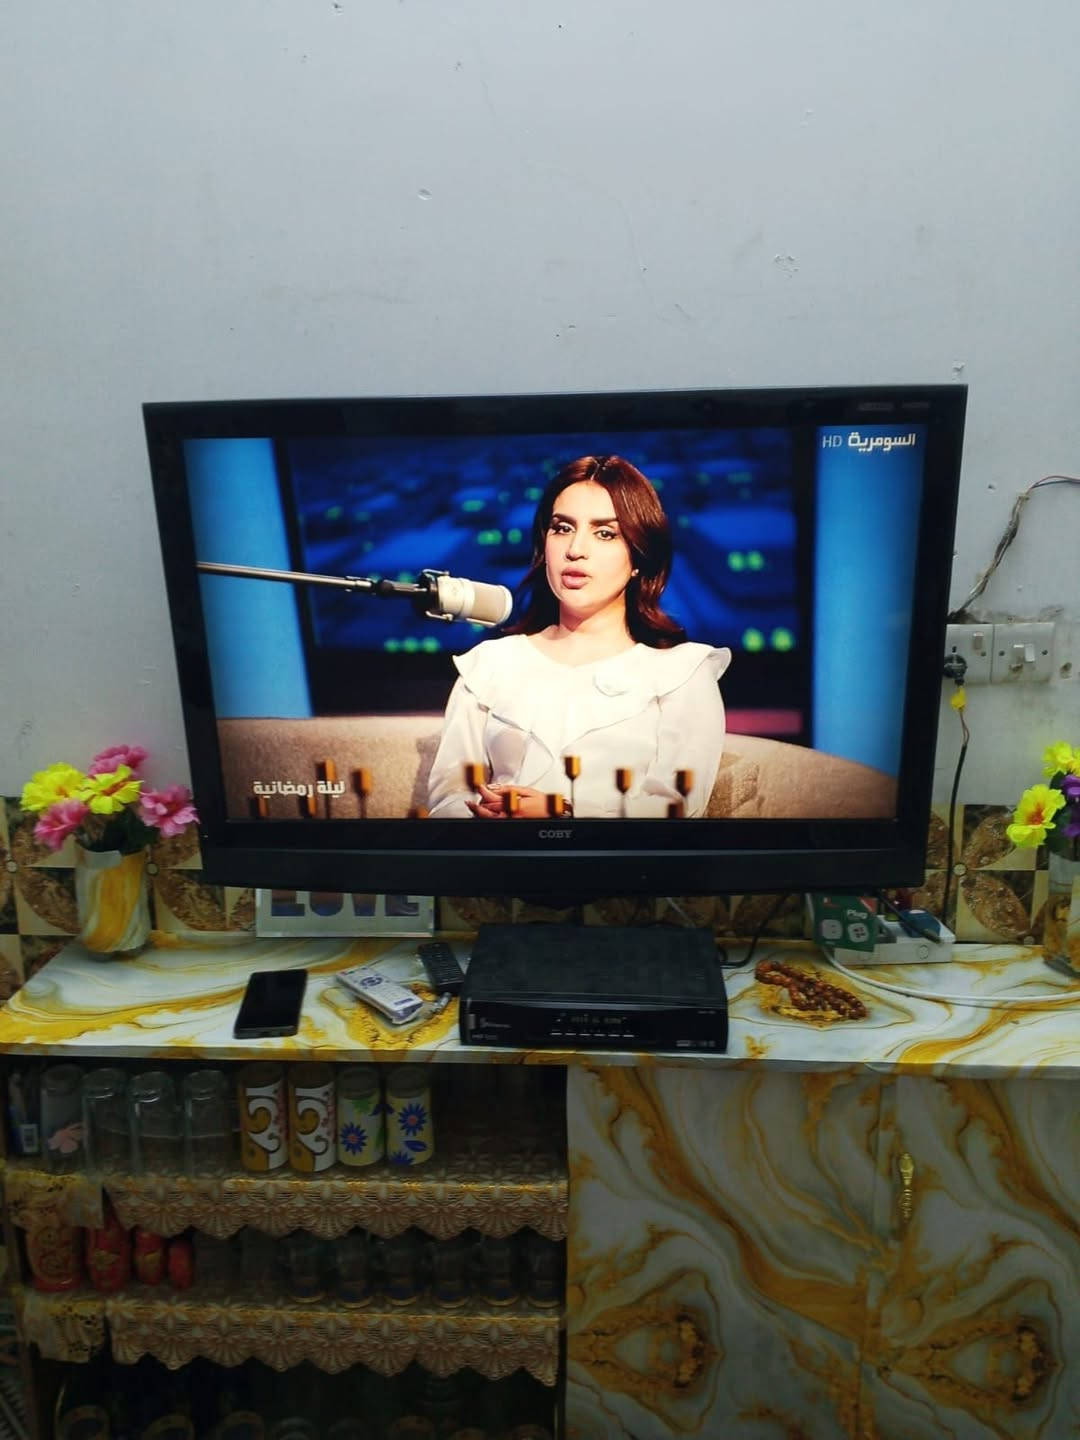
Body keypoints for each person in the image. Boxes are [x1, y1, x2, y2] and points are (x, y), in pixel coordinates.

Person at [426, 455, 731, 818]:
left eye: (605, 533)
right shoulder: (489, 665)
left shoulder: (682, 672)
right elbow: (447, 799)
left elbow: (677, 807)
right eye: (562, 528)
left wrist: (566, 814)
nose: (575, 550)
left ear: (638, 557)